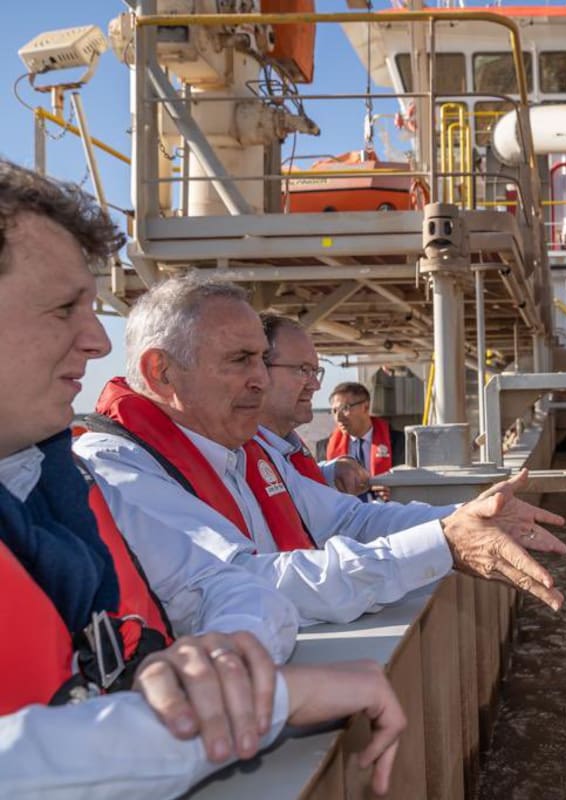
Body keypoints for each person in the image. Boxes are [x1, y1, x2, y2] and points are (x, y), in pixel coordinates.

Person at [0, 159, 405, 797]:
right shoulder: (116, 466)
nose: (94, 341)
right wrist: (258, 700)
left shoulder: (61, 480)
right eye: (62, 309)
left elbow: (225, 582)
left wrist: (223, 660)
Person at [76, 274, 566, 629]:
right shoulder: (118, 468)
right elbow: (242, 584)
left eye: (262, 361)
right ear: (162, 371)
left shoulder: (238, 451)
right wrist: (443, 543)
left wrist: (464, 518)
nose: (260, 378)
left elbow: (348, 521)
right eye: (240, 360)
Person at [258, 313, 369, 497]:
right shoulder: (235, 461)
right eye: (303, 370)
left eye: (315, 372)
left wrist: (328, 473)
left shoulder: (284, 448)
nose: (316, 385)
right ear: (258, 370)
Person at [318, 380, 403, 502]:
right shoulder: (324, 448)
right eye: (335, 411)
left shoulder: (399, 442)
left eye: (345, 408)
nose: (338, 418)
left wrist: (396, 493)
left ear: (366, 407)